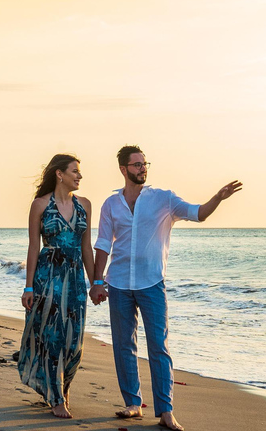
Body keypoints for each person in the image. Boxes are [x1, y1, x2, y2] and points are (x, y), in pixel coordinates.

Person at [89, 145, 241, 431]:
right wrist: (97, 282)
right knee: (123, 346)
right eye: (136, 165)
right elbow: (103, 244)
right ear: (123, 169)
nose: (142, 169)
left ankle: (165, 411)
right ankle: (133, 404)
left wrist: (218, 198)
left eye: (145, 164)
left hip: (151, 283)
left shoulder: (163, 199)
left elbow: (199, 213)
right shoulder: (111, 204)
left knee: (158, 346)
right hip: (119, 283)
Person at [18, 154, 94, 419]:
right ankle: (57, 397)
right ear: (59, 174)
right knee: (52, 338)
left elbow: (86, 247)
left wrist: (95, 282)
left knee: (74, 343)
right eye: (75, 171)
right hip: (48, 279)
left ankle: (62, 388)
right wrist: (28, 288)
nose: (80, 176)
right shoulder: (40, 205)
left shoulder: (85, 205)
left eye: (80, 172)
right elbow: (33, 246)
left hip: (74, 281)